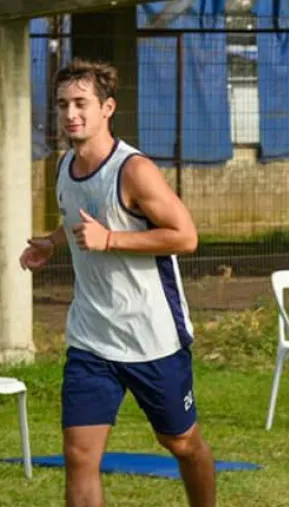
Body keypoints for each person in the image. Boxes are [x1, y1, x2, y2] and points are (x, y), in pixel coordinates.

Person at [19, 58, 216, 507]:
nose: (71, 114)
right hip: (91, 337)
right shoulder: (65, 166)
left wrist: (110, 240)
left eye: (81, 103)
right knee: (79, 456)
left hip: (152, 337)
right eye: (63, 104)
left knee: (182, 444)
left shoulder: (133, 170)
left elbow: (185, 236)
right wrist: (53, 243)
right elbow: (79, 221)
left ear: (107, 108)